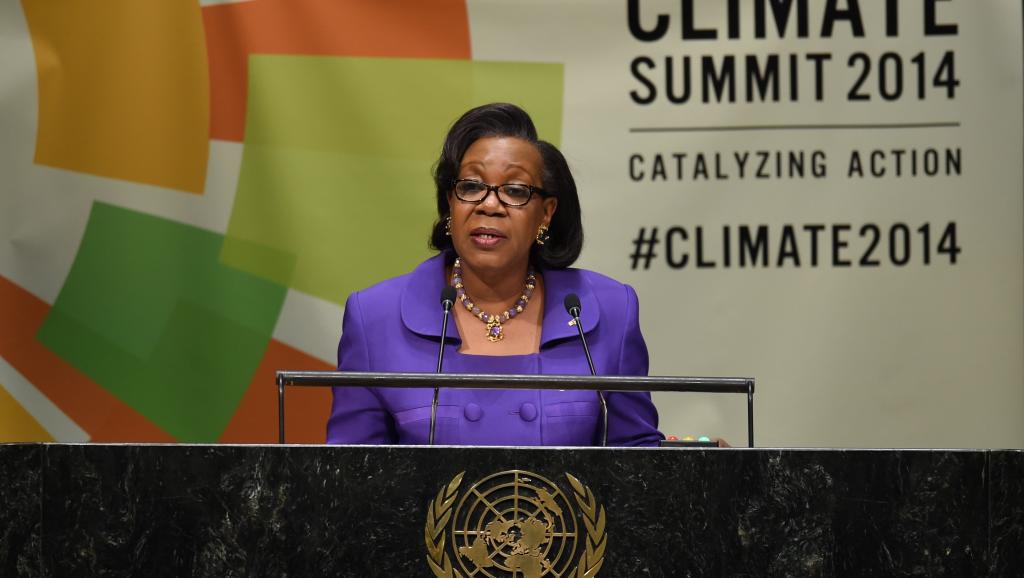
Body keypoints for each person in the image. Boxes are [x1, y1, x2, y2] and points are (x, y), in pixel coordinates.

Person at [326, 103, 662, 446]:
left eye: (515, 191)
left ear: (546, 213)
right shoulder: (374, 318)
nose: (489, 204)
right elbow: (351, 477)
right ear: (450, 204)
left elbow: (637, 466)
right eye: (471, 186)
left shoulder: (609, 311)